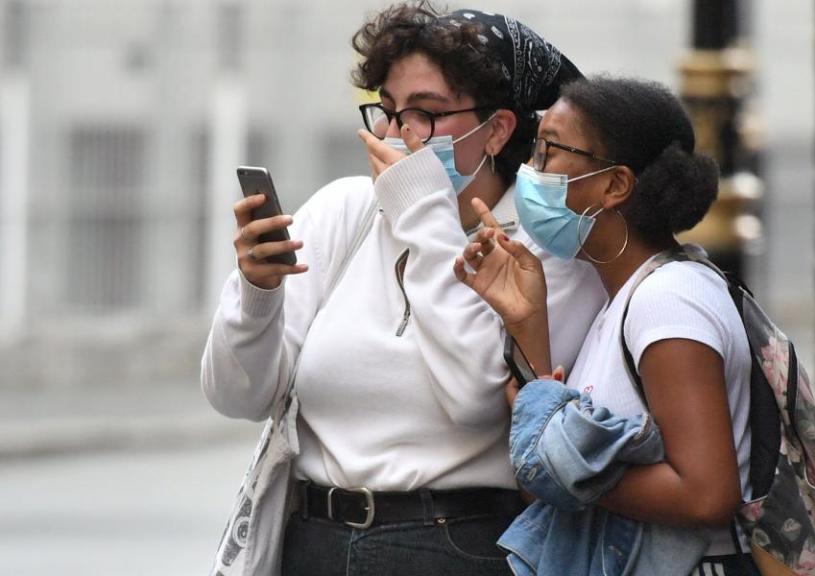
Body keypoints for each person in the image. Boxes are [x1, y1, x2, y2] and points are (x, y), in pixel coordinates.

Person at [201, 3, 605, 576]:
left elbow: (473, 401)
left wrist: (424, 211)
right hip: (313, 537)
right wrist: (256, 296)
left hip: (453, 543)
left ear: (498, 128)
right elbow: (236, 396)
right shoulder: (347, 211)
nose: (398, 134)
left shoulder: (542, 251)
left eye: (428, 113)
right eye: (388, 111)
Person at [455, 76, 761, 575]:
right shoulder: (620, 300)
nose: (531, 172)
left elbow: (706, 493)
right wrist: (527, 319)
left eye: (548, 152)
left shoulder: (670, 299)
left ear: (615, 185)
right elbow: (540, 478)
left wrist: (578, 474)